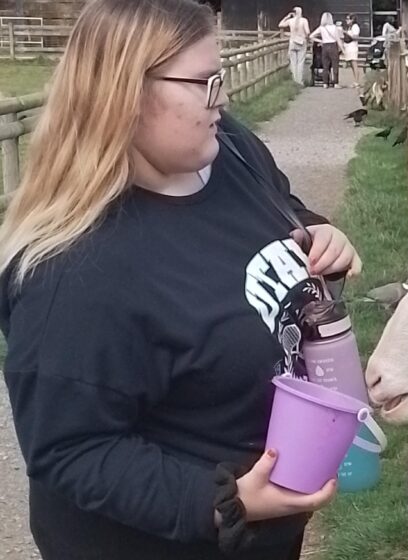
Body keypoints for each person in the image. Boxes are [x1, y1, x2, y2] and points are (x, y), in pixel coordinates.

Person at [0, 0, 363, 558]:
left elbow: (279, 208)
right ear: (124, 93)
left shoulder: (231, 152)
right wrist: (223, 502)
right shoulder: (72, 272)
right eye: (203, 83)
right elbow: (70, 450)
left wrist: (316, 232)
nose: (223, 99)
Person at [278, 7, 309, 86]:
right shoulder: (304, 20)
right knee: (300, 62)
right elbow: (308, 32)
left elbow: (280, 25)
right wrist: (306, 37)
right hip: (301, 42)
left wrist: (287, 16)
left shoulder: (290, 21)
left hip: (292, 42)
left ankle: (294, 80)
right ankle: (300, 81)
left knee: (293, 62)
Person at [309, 12, 342, 89]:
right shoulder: (334, 27)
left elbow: (311, 36)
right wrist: (342, 49)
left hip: (325, 46)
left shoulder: (321, 28)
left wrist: (320, 41)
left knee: (325, 66)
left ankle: (325, 83)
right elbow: (338, 39)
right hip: (333, 45)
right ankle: (336, 83)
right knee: (335, 65)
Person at [341, 14, 361, 89]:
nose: (346, 20)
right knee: (351, 65)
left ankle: (357, 81)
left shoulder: (355, 27)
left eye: (348, 19)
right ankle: (355, 80)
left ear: (352, 20)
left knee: (354, 64)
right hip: (348, 46)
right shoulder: (349, 27)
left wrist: (346, 33)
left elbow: (355, 37)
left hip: (352, 46)